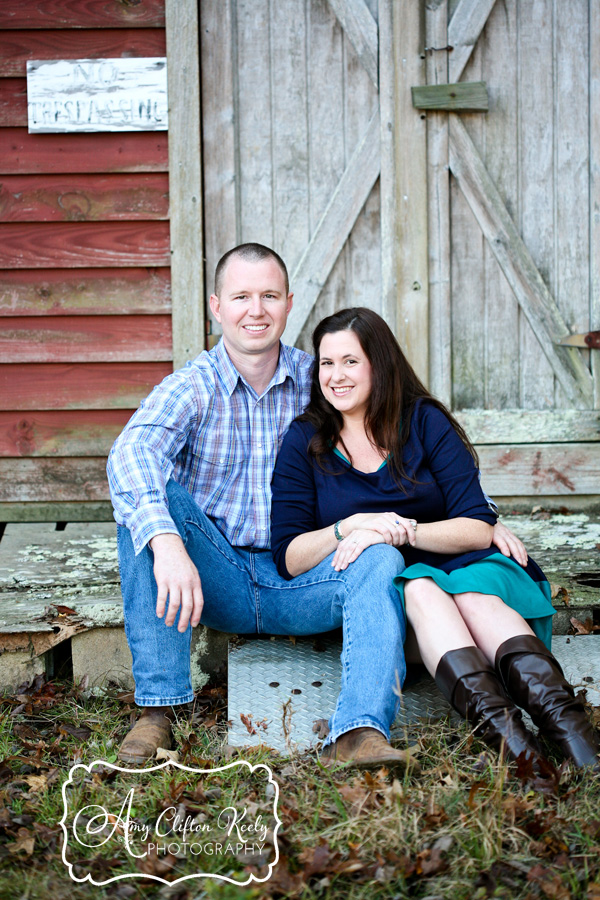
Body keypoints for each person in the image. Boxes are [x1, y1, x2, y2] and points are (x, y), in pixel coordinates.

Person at [107, 242, 528, 768]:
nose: (255, 310)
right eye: (241, 296)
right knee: (146, 504)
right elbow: (130, 455)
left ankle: (359, 732)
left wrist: (484, 514)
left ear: (288, 304)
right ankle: (159, 710)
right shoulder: (192, 387)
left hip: (307, 574)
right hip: (216, 573)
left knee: (378, 555)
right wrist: (169, 544)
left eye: (268, 296)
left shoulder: (323, 377)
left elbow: (400, 433)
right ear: (217, 307)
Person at [270, 307, 600, 768]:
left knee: (469, 595)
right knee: (423, 590)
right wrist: (356, 525)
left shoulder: (423, 421)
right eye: (327, 363)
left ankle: (579, 745)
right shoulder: (306, 440)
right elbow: (288, 556)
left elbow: (476, 525)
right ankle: (519, 753)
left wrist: (404, 529)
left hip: (465, 567)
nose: (336, 376)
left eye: (351, 361)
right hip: (393, 595)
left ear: (379, 366)